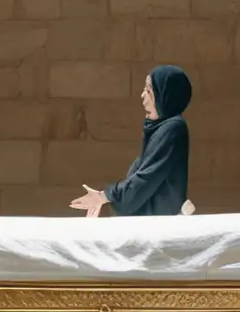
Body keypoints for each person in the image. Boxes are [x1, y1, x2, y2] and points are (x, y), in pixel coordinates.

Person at [70, 65, 192, 217]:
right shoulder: (162, 129)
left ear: (165, 96)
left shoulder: (172, 128)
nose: (142, 96)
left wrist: (104, 196)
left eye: (149, 91)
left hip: (158, 226)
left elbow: (146, 179)